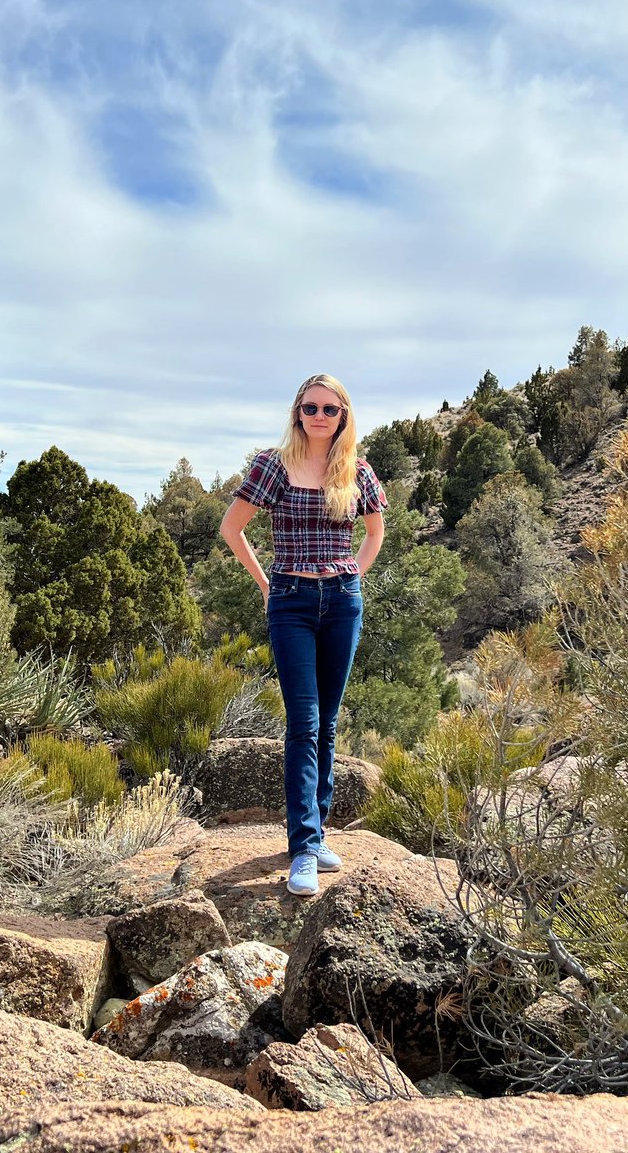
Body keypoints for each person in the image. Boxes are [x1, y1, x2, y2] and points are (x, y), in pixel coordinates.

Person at [219, 373, 387, 896]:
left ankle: (317, 835)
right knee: (304, 721)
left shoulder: (356, 470)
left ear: (343, 416)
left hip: (342, 601)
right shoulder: (273, 465)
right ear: (297, 413)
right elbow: (232, 528)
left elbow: (376, 532)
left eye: (329, 409)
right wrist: (267, 585)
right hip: (290, 599)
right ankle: (302, 848)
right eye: (309, 408)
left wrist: (352, 576)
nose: (318, 416)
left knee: (329, 723)